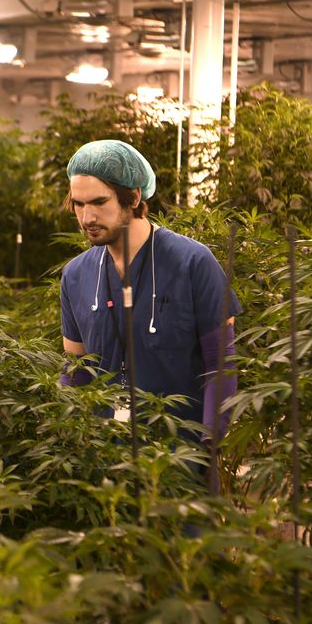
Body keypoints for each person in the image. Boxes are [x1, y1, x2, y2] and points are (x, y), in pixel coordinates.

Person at [58, 139, 239, 443]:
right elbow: (77, 370)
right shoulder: (76, 275)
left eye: (99, 202)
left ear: (133, 197)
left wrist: (209, 442)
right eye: (79, 204)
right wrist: (63, 433)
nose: (86, 218)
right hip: (103, 456)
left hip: (178, 453)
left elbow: (220, 364)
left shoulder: (193, 263)